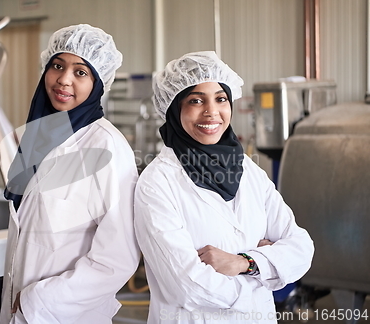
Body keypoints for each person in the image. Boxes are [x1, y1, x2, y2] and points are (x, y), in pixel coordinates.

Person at [134, 51, 314, 323]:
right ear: (174, 109)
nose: (212, 112)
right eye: (196, 100)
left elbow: (301, 248)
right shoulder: (157, 182)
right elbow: (188, 286)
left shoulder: (248, 170)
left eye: (221, 99)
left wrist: (244, 263)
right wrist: (266, 271)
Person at [0, 24, 140, 324]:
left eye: (80, 72)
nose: (63, 80)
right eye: (57, 66)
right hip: (18, 309)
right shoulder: (39, 136)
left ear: (97, 83)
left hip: (63, 313)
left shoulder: (107, 147)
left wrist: (36, 299)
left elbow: (118, 257)